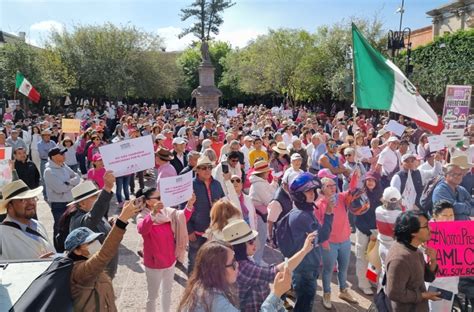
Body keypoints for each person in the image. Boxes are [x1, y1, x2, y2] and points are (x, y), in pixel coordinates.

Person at [222, 218, 316, 311]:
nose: (254, 243)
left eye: (254, 239)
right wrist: (304, 250)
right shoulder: (243, 267)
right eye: (250, 242)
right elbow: (274, 272)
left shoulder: (240, 261)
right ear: (239, 246)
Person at [65, 199, 140, 311]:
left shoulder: (93, 267)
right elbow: (104, 254)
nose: (95, 243)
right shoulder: (80, 271)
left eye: (95, 239)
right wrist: (122, 220)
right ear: (77, 251)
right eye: (89, 242)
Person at [177, 240, 291, 312]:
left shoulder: (201, 286)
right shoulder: (216, 302)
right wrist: (276, 294)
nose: (237, 266)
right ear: (218, 269)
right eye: (233, 263)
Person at [137, 187, 195, 312]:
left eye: (161, 197)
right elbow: (142, 229)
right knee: (152, 296)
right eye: (157, 198)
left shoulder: (166, 212)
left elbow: (181, 217)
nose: (161, 200)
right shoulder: (143, 216)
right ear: (148, 202)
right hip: (154, 263)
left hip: (169, 259)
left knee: (167, 292)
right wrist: (153, 214)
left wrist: (189, 204)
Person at [287, 172, 334, 311]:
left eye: (313, 190)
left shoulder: (304, 212)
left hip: (305, 266)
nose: (313, 193)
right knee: (304, 306)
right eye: (308, 191)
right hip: (304, 270)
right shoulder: (303, 216)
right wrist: (329, 213)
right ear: (299, 195)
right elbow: (323, 235)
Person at [315, 176, 358, 308]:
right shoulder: (319, 204)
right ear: (322, 188)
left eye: (334, 185)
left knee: (343, 268)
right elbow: (318, 226)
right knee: (328, 271)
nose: (333, 187)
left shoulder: (340, 197)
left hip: (345, 240)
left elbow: (352, 190)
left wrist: (355, 176)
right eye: (329, 186)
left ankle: (343, 290)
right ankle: (327, 293)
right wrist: (324, 242)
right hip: (330, 243)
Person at [385, 211, 441, 311]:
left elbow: (428, 277)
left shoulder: (415, 250)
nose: (431, 229)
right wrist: (423, 296)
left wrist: (433, 260)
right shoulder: (400, 260)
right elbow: (394, 293)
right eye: (426, 226)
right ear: (413, 232)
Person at [68, 172, 116, 277]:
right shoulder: (79, 220)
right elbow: (93, 217)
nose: (98, 198)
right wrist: (107, 187)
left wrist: (109, 227)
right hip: (95, 277)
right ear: (82, 203)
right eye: (95, 196)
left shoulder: (89, 213)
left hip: (105, 272)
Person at [187, 156, 225, 274]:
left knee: (212, 262)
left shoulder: (217, 184)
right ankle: (192, 289)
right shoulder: (190, 185)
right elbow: (182, 209)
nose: (207, 170)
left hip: (214, 231)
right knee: (194, 262)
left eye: (209, 167)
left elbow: (223, 203)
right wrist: (189, 230)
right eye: (203, 168)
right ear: (197, 170)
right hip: (197, 231)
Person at [0, 180, 54, 260]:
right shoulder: (2, 235)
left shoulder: (39, 225)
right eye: (23, 200)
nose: (31, 203)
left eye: (33, 198)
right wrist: (33, 266)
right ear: (10, 206)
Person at [44, 146, 81, 250]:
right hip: (58, 204)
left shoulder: (63, 165)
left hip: (70, 201)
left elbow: (77, 177)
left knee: (69, 227)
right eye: (61, 154)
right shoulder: (49, 171)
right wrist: (71, 184)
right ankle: (59, 251)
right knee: (60, 228)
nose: (64, 155)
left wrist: (68, 183)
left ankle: (69, 249)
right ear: (54, 157)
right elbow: (60, 188)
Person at [426, 200, 458, 312]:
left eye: (451, 215)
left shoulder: (457, 230)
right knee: (435, 309)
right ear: (435, 216)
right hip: (436, 281)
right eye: (445, 215)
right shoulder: (427, 232)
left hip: (451, 279)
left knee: (446, 308)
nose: (449, 219)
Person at [354, 171, 382, 295]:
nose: (370, 182)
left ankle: (372, 280)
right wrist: (368, 232)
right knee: (362, 258)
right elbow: (357, 217)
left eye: (373, 180)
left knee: (375, 258)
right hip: (363, 230)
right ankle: (363, 283)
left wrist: (377, 231)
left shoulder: (381, 195)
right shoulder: (360, 195)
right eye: (368, 180)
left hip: (376, 231)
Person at [249, 160, 278, 265]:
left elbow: (271, 192)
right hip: (259, 215)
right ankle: (256, 260)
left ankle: (258, 259)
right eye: (266, 171)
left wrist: (274, 183)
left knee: (261, 237)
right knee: (260, 239)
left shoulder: (262, 182)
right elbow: (268, 200)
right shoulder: (258, 185)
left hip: (263, 215)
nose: (268, 173)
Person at [432, 155, 473, 220]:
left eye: (460, 174)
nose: (458, 176)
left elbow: (472, 204)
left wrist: (463, 208)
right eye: (454, 174)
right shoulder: (440, 190)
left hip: (463, 228)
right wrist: (466, 206)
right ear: (446, 175)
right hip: (445, 228)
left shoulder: (461, 189)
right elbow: (452, 209)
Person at [375, 186, 404, 275]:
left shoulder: (378, 210)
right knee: (396, 274)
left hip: (382, 246)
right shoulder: (401, 215)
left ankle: (383, 288)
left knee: (385, 271)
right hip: (396, 248)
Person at [37, 129, 57, 199]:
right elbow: (42, 154)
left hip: (54, 162)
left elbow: (57, 151)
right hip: (44, 161)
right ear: (43, 136)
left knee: (54, 178)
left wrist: (49, 152)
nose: (48, 137)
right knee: (44, 179)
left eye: (49, 135)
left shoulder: (53, 142)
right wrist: (52, 153)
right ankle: (46, 194)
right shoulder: (39, 143)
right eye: (46, 135)